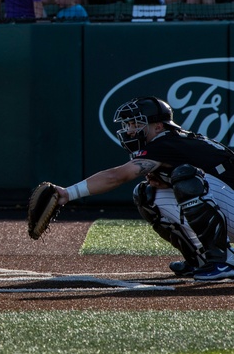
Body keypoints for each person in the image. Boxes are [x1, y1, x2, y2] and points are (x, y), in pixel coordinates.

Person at [46, 96, 234, 281]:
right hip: (228, 203)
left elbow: (117, 176)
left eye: (136, 124)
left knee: (187, 179)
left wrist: (67, 193)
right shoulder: (171, 142)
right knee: (147, 194)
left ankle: (224, 259)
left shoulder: (166, 143)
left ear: (158, 126)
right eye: (127, 125)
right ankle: (200, 259)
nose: (129, 130)